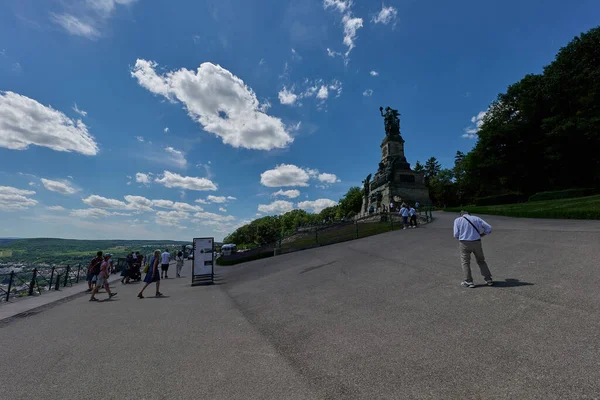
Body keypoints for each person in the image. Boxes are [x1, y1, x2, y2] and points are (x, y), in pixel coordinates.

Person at [453, 210, 494, 288]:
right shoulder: (476, 218)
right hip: (477, 242)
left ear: (461, 215)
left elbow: (455, 234)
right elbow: (489, 228)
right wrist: (483, 234)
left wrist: (462, 237)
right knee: (481, 261)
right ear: (469, 214)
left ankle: (469, 281)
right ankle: (488, 279)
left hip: (464, 243)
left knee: (465, 262)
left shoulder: (457, 220)